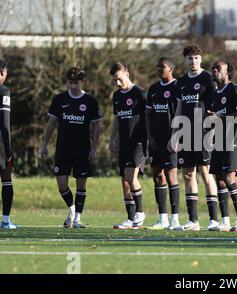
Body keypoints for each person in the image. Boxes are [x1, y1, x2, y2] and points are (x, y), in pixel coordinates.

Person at [40, 66, 102, 228]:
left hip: (83, 149)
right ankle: (72, 210)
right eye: (70, 83)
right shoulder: (60, 99)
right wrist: (44, 144)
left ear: (82, 82)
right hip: (63, 149)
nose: (72, 86)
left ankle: (78, 218)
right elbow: (51, 123)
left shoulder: (90, 101)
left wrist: (94, 148)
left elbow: (96, 127)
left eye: (76, 83)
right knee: (61, 184)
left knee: (81, 185)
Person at [168, 45, 218, 231]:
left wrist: (213, 133)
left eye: (196, 58)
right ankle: (193, 220)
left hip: (204, 131)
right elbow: (179, 109)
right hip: (186, 133)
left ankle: (214, 219)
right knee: (188, 174)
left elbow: (214, 109)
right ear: (185, 60)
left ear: (201, 59)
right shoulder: (181, 82)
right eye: (190, 58)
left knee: (205, 173)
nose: (193, 61)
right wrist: (175, 135)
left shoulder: (208, 78)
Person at [208, 60, 237, 232]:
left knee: (229, 178)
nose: (215, 70)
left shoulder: (235, 90)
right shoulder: (214, 94)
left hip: (235, 138)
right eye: (213, 68)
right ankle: (224, 221)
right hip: (219, 139)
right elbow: (214, 119)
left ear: (227, 72)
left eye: (219, 68)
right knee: (219, 179)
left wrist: (221, 119)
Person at [109, 63, 147, 229]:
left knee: (131, 176)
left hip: (138, 142)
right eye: (114, 80)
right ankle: (131, 219)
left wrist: (149, 138)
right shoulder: (116, 96)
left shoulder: (140, 93)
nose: (117, 83)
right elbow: (117, 118)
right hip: (124, 143)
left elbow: (149, 117)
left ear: (127, 73)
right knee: (125, 180)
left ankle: (140, 212)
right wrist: (112, 139)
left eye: (119, 79)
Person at [145, 57, 181, 230]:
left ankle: (175, 219)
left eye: (162, 67)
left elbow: (182, 114)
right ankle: (162, 219)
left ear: (171, 68)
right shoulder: (153, 89)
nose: (159, 69)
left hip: (171, 140)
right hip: (156, 141)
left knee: (172, 176)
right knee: (158, 176)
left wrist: (177, 137)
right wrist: (150, 137)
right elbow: (148, 115)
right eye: (157, 66)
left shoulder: (178, 87)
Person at [0, 61, 17, 229]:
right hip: (0, 144)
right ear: (2, 73)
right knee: (6, 179)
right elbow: (5, 124)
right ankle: (5, 221)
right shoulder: (4, 91)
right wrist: (8, 150)